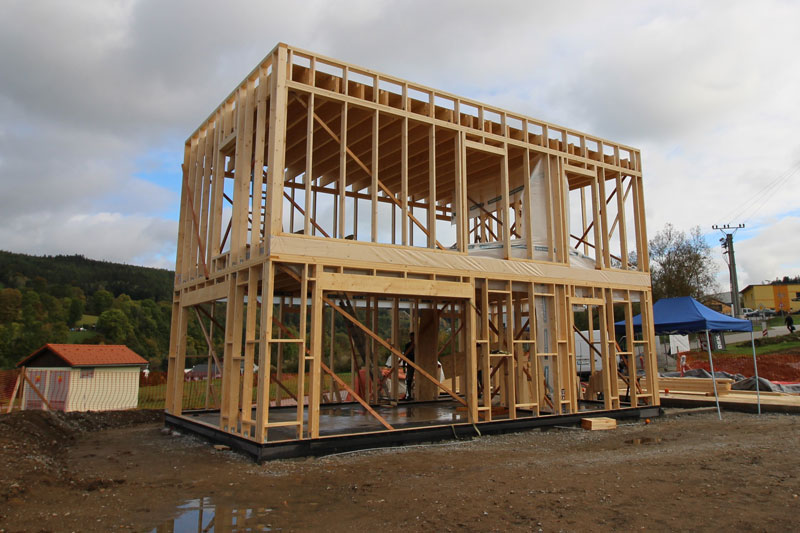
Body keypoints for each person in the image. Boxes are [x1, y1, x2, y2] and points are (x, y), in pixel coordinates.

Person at [402, 332, 415, 400]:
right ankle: (409, 395)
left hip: (418, 363)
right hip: (410, 363)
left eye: (413, 337)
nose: (411, 338)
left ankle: (413, 395)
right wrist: (404, 366)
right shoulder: (408, 345)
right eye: (411, 337)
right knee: (409, 380)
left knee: (417, 380)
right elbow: (405, 355)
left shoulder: (418, 345)